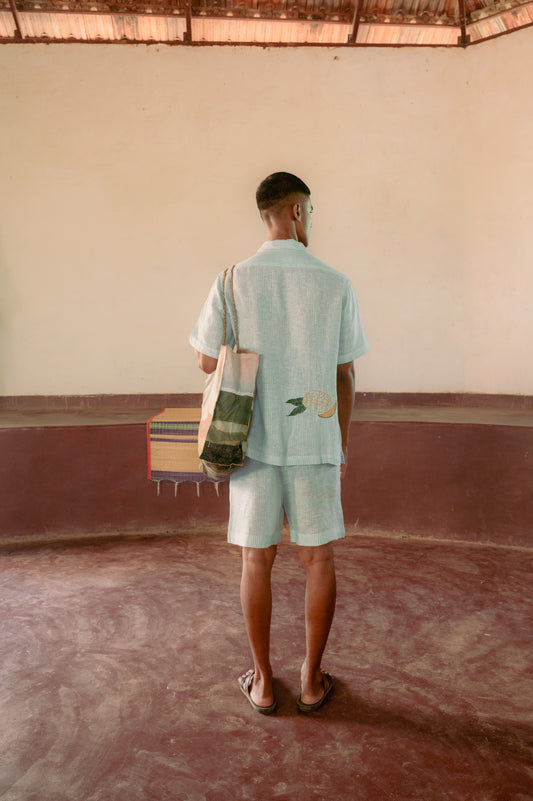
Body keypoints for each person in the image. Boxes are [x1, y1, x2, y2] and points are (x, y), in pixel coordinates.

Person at [190, 172, 368, 714]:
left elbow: (205, 359)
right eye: (309, 211)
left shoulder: (231, 280)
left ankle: (264, 683)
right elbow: (343, 374)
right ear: (295, 210)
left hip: (254, 442)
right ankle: (312, 681)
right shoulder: (335, 282)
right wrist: (339, 442)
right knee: (318, 560)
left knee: (255, 560)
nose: (310, 220)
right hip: (314, 438)